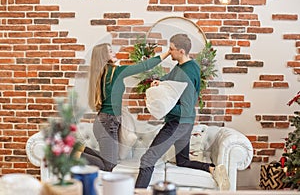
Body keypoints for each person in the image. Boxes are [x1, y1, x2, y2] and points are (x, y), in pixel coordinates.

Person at [134, 34, 230, 190]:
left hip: (178, 123)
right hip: (184, 122)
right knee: (183, 161)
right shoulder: (182, 66)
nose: (169, 52)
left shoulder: (188, 73)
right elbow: (171, 79)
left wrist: (162, 106)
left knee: (147, 159)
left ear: (181, 51)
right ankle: (213, 169)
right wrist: (161, 81)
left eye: (171, 49)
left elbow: (186, 107)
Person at [79, 43, 171, 172]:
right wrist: (167, 53)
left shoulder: (101, 74)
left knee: (109, 160)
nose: (114, 53)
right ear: (104, 56)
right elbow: (144, 66)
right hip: (107, 123)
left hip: (105, 121)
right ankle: (76, 155)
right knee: (109, 165)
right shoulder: (115, 72)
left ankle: (80, 149)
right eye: (110, 51)